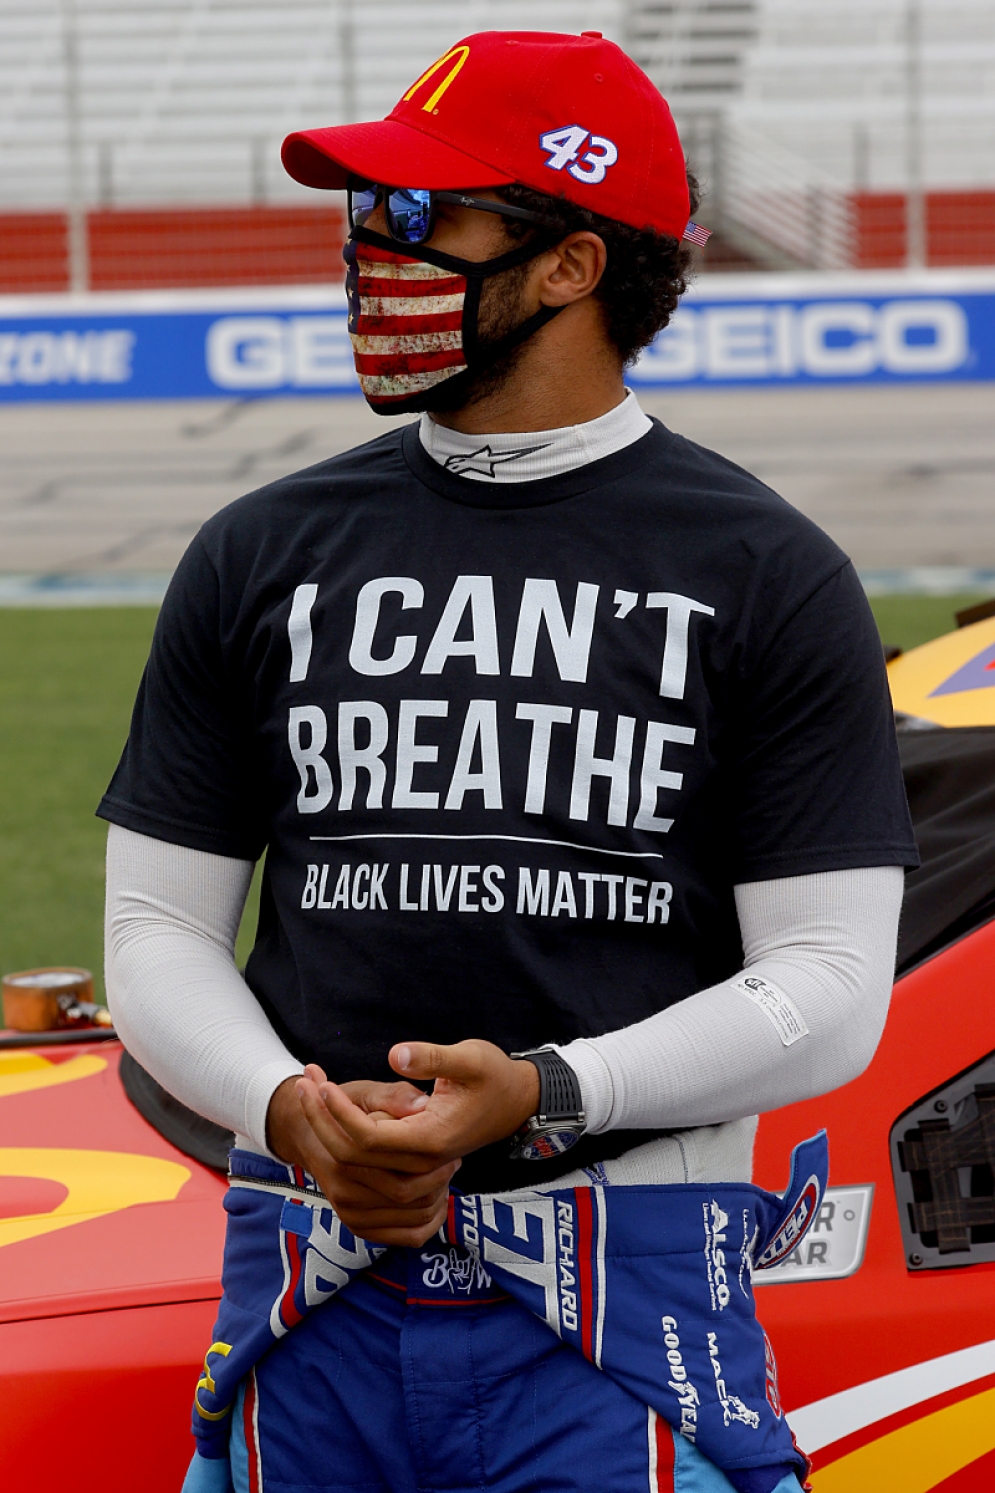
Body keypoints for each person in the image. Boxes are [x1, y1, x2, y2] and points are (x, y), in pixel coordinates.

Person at [100, 29, 918, 1493]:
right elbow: (157, 928)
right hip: (309, 1281)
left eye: (418, 219)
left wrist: (547, 1088)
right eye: (359, 215)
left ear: (570, 265)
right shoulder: (257, 553)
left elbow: (833, 990)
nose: (368, 251)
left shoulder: (768, 572)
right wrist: (292, 1108)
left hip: (627, 1296)